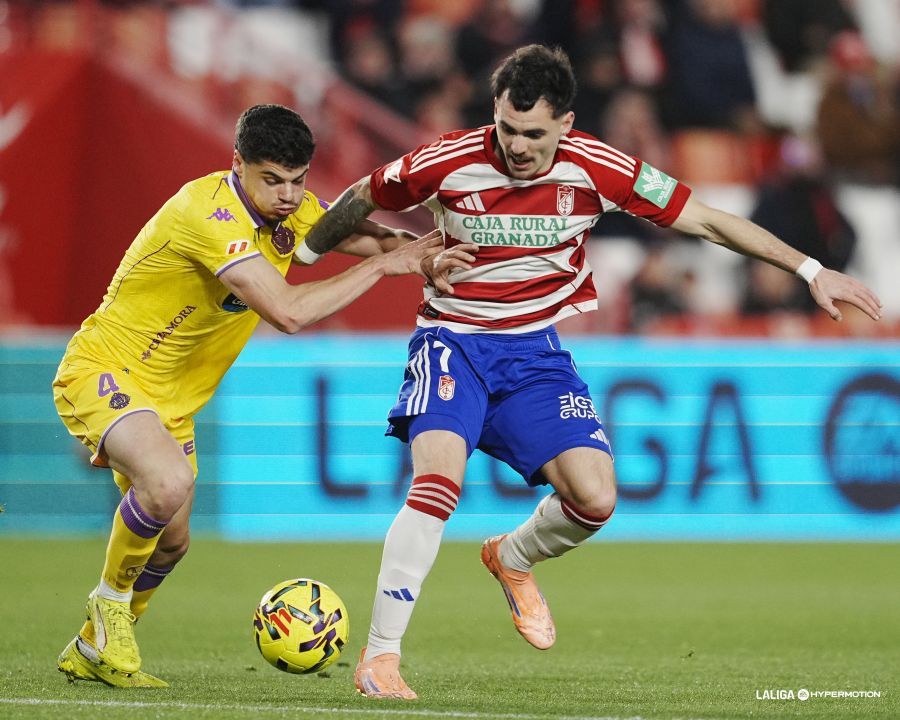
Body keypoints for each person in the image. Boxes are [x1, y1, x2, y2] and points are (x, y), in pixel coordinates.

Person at [299, 44, 883, 700]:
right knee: (438, 480)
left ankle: (511, 556)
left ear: (567, 126)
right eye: (507, 129)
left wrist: (810, 271)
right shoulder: (447, 161)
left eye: (534, 135)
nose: (517, 148)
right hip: (451, 341)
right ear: (493, 112)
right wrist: (304, 246)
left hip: (534, 355)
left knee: (597, 497)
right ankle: (380, 659)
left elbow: (709, 221)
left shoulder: (601, 169)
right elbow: (357, 195)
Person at [52, 104, 445, 688]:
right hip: (104, 368)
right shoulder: (207, 213)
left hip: (172, 403)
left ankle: (92, 647)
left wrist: (438, 250)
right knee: (167, 483)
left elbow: (373, 235)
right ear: (237, 164)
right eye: (272, 179)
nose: (288, 195)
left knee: (173, 543)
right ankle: (107, 607)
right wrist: (392, 265)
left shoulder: (294, 214)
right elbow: (286, 311)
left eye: (298, 180)